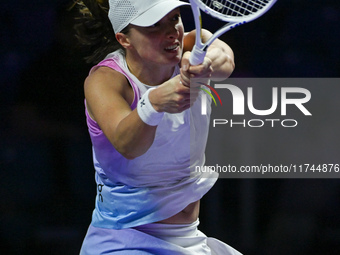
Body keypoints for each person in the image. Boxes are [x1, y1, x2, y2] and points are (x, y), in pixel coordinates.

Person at [73, 0, 240, 254]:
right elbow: (127, 144)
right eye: (154, 25)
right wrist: (152, 104)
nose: (171, 31)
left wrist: (206, 66)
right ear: (124, 39)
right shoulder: (105, 81)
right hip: (125, 240)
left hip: (190, 238)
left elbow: (224, 58)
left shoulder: (194, 47)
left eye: (174, 18)